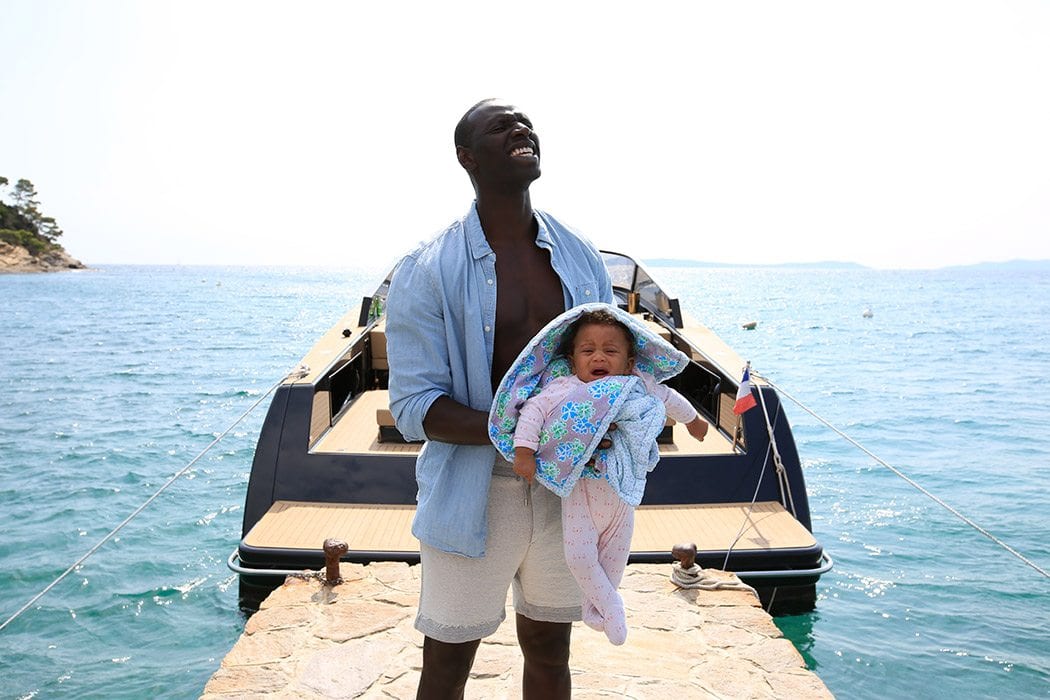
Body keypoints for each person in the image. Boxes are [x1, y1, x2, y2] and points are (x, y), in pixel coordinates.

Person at [385, 99, 614, 699]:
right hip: (474, 489)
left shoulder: (581, 255)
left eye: (526, 123)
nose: (521, 128)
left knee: (551, 650)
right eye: (500, 126)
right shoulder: (425, 269)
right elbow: (414, 406)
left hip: (567, 487)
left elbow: (612, 365)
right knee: (447, 660)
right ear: (467, 158)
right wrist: (525, 432)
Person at [510, 308, 709, 645]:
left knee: (615, 559)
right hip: (581, 492)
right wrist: (525, 451)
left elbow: (668, 397)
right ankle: (613, 607)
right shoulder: (564, 388)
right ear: (573, 361)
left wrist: (693, 421)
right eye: (587, 350)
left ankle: (597, 608)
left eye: (610, 350)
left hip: (622, 494)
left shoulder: (636, 385)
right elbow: (534, 410)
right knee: (579, 557)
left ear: (629, 363)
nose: (598, 357)